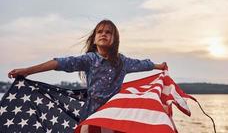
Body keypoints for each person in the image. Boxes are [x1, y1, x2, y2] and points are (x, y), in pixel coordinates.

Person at [8, 19, 167, 132]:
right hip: (90, 112)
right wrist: (28, 70)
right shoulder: (89, 60)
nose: (103, 34)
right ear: (94, 39)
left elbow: (143, 64)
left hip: (112, 113)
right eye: (100, 32)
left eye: (108, 32)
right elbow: (59, 63)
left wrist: (159, 66)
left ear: (114, 39)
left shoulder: (122, 62)